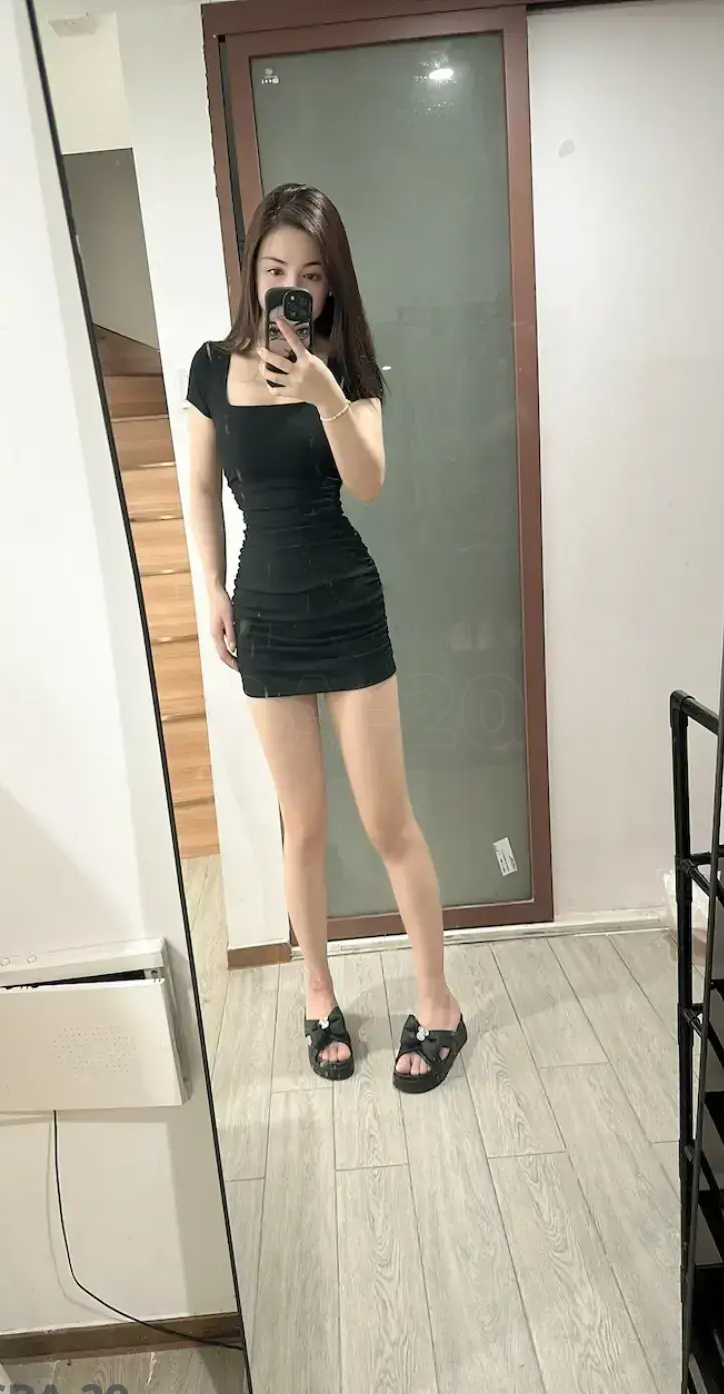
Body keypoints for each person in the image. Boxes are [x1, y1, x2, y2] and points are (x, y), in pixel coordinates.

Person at [186, 182, 466, 1094]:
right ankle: (317, 993)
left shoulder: (350, 370)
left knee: (388, 821)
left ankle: (439, 1004)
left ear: (331, 285)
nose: (290, 287)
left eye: (310, 274)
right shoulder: (208, 368)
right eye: (275, 269)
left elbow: (370, 482)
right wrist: (212, 589)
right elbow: (200, 488)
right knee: (302, 825)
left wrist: (324, 392)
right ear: (252, 272)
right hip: (264, 612)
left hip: (347, 605)